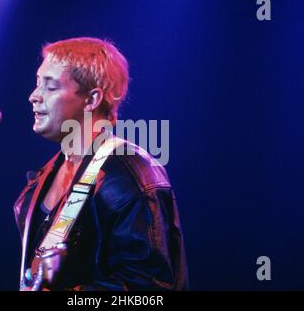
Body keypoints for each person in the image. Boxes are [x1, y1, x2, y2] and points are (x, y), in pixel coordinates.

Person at [14, 37, 189, 290]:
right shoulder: (43, 178)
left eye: (50, 87)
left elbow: (151, 290)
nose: (34, 96)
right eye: (38, 84)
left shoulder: (129, 173)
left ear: (92, 99)